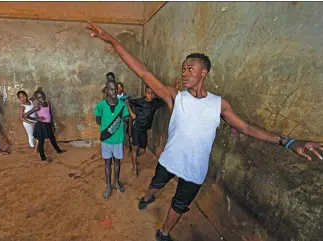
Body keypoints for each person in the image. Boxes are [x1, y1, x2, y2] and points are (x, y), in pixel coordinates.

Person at [85, 21, 323, 241]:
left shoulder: (219, 104)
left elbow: (247, 127)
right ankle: (148, 196)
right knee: (156, 184)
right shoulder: (175, 97)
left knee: (179, 204)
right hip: (170, 161)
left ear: (203, 73)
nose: (185, 72)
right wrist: (113, 41)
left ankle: (163, 233)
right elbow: (143, 72)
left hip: (195, 169)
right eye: (183, 69)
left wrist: (288, 141)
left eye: (190, 68)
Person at [95, 80, 129, 200]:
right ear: (106, 91)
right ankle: (109, 186)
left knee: (117, 162)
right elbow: (98, 120)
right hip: (106, 139)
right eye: (111, 89)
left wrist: (125, 138)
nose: (114, 91)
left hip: (118, 139)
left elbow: (125, 120)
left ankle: (116, 182)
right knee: (107, 163)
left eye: (115, 89)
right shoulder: (100, 105)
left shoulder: (122, 105)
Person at [127, 85, 164, 176]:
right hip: (136, 128)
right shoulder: (139, 101)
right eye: (148, 93)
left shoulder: (156, 102)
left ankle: (133, 157)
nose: (151, 96)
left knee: (143, 150)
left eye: (152, 94)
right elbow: (127, 102)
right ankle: (135, 167)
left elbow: (167, 98)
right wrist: (132, 113)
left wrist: (176, 87)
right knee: (135, 147)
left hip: (144, 130)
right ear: (145, 93)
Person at [23, 90, 65, 162]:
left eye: (42, 96)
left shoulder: (48, 104)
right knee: (41, 141)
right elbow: (25, 115)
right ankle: (43, 157)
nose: (41, 98)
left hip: (48, 124)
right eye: (39, 97)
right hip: (40, 126)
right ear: (36, 98)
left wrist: (52, 124)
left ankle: (58, 150)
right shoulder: (37, 107)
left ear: (45, 95)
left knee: (52, 138)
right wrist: (36, 118)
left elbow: (50, 115)